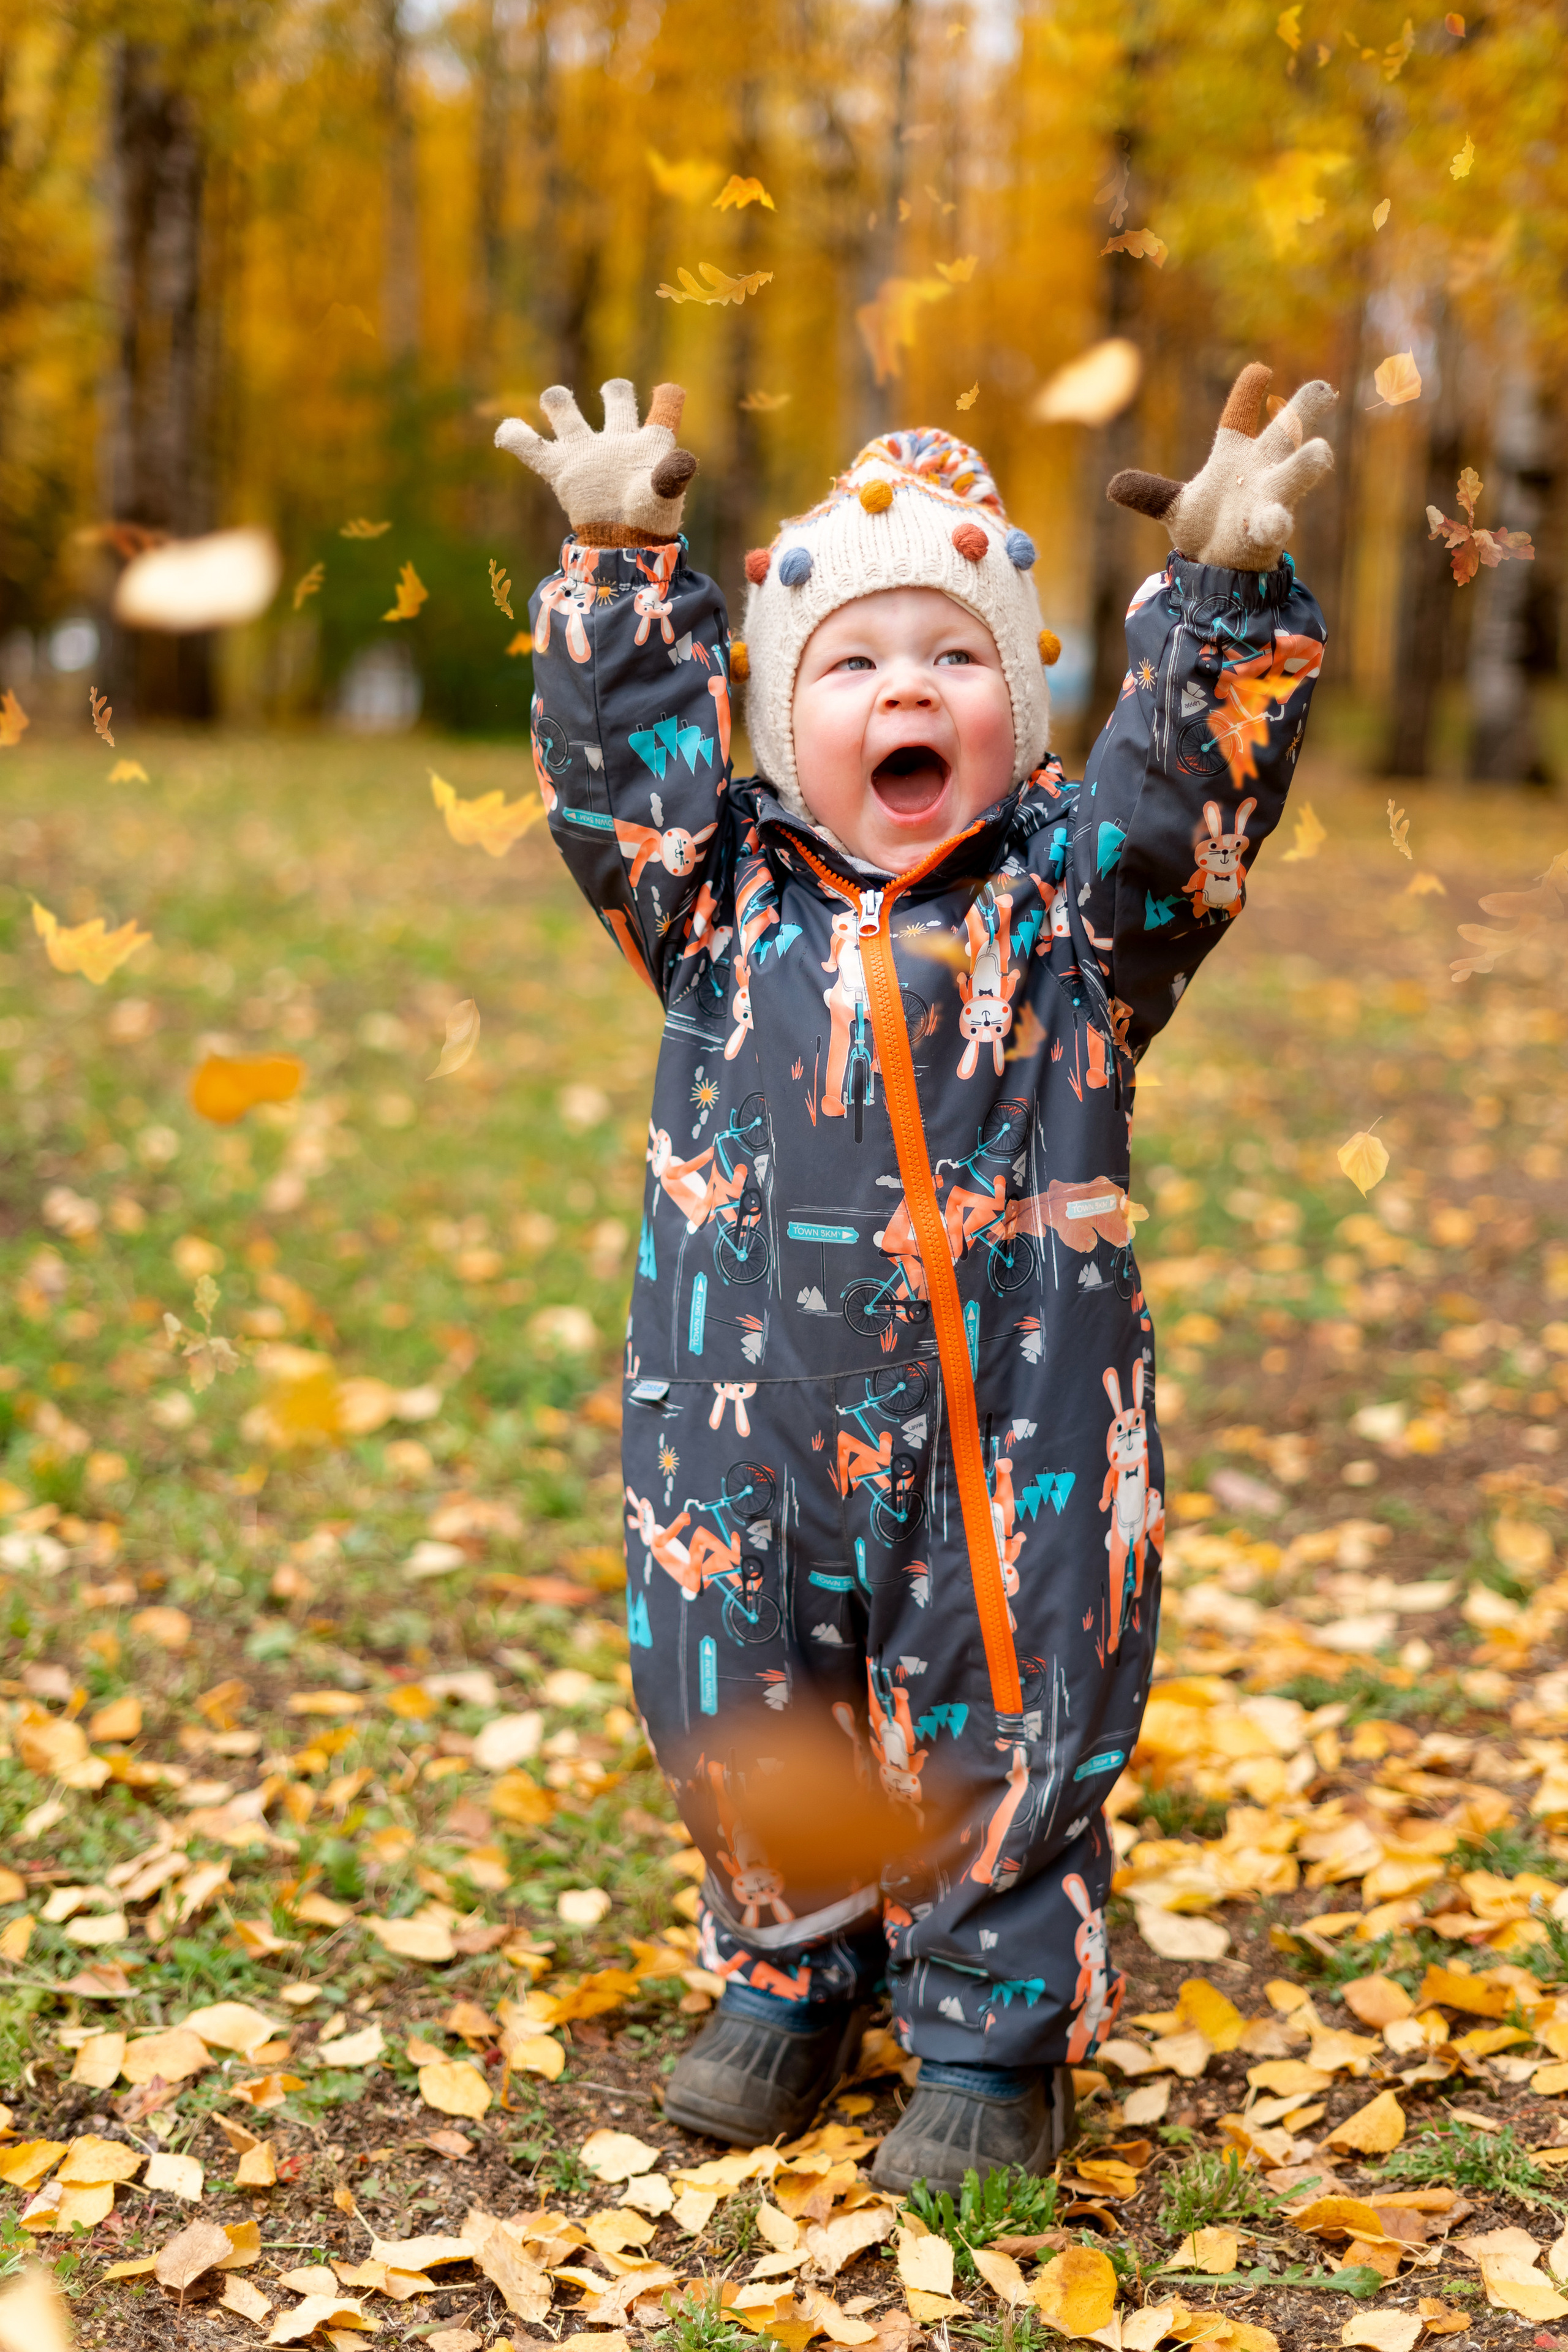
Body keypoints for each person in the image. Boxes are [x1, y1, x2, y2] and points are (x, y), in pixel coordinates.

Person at [494, 365, 1333, 2189]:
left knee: (1009, 1699)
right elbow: (616, 772)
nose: (905, 690)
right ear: (789, 720)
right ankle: (789, 1973)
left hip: (1010, 1433)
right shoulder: (711, 904)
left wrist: (1225, 608)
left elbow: (1184, 806)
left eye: (953, 661)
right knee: (738, 1687)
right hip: (744, 1426)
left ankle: (987, 2034)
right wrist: (626, 560)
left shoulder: (1076, 916)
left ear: (1019, 716)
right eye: (855, 661)